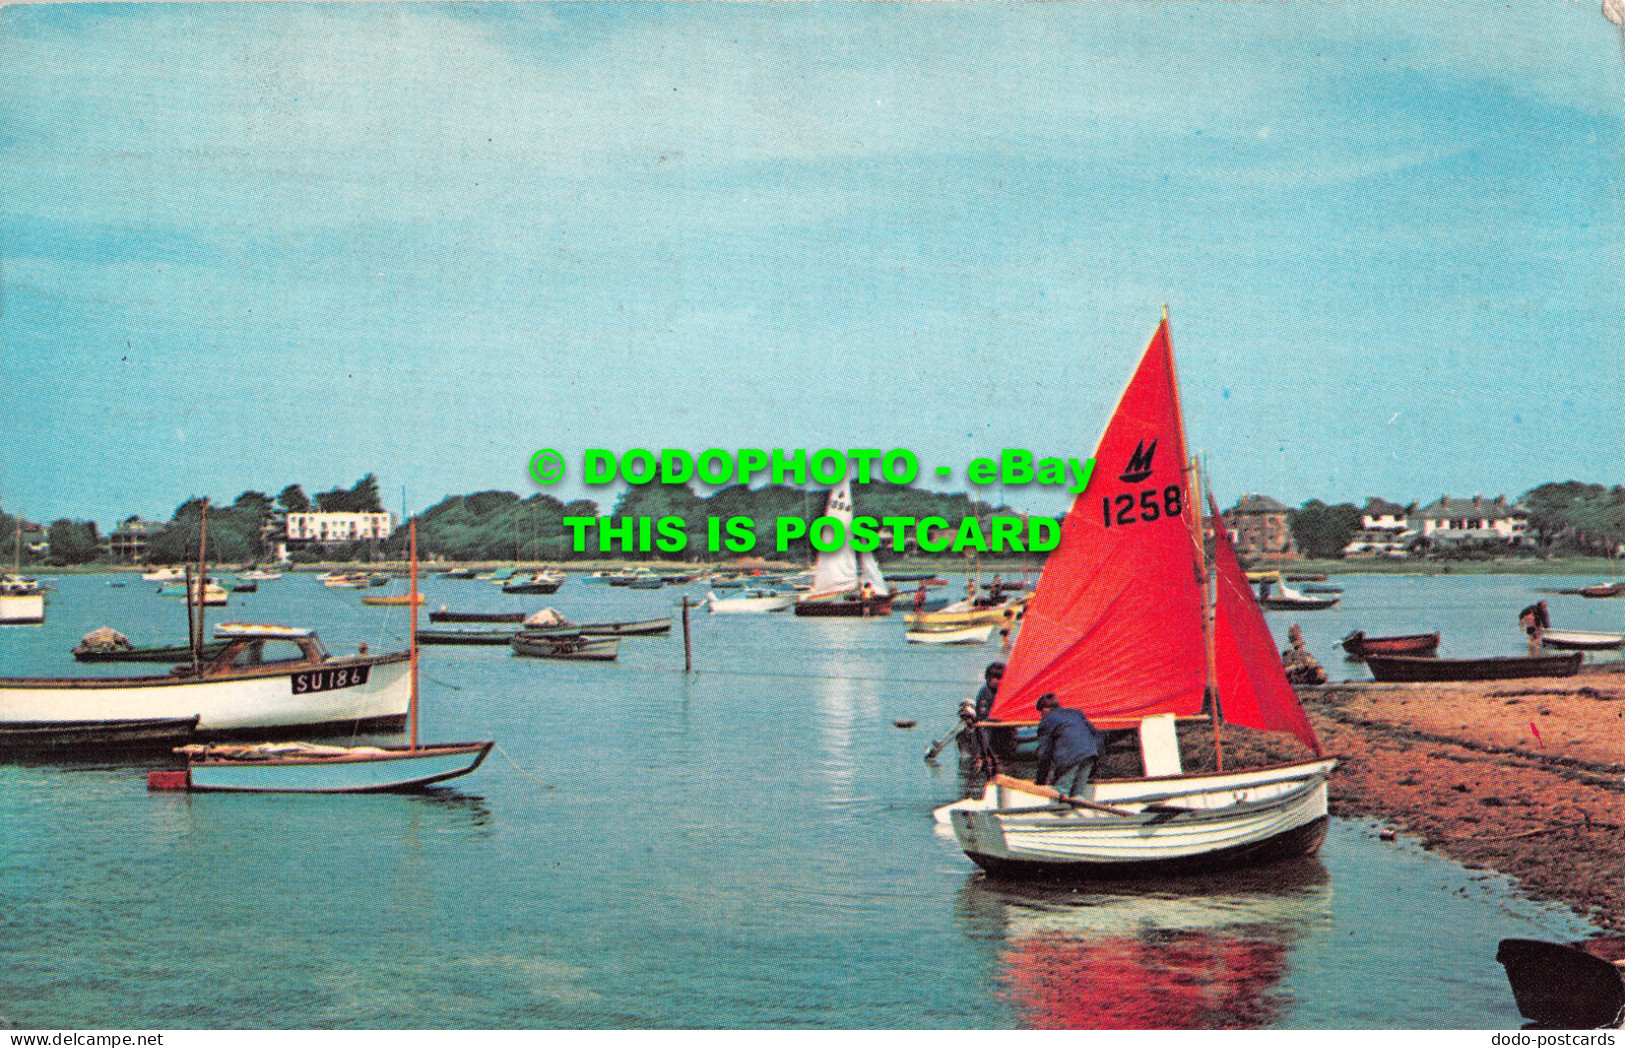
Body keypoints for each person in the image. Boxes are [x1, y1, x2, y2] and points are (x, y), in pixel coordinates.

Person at [1034, 692, 1105, 798]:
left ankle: (1060, 812)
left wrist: (1040, 781)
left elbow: (1045, 753)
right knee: (1078, 794)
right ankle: (1078, 806)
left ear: (1044, 710)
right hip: (1090, 755)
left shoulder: (1046, 721)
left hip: (1071, 757)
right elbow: (1097, 735)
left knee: (1061, 792)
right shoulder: (1076, 713)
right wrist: (1100, 760)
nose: (1041, 716)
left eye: (1040, 713)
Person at [964, 661, 1005, 774]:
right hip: (987, 727)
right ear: (987, 678)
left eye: (1000, 678)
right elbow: (983, 717)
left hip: (1000, 726)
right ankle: (983, 757)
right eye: (994, 678)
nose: (997, 681)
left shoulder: (1003, 691)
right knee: (985, 731)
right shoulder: (985, 693)